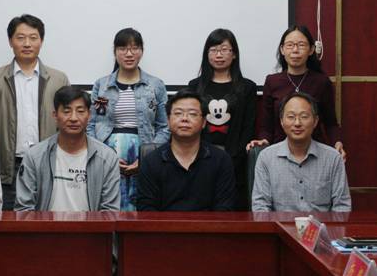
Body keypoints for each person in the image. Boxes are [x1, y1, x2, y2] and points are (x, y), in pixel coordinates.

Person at [0, 14, 70, 210]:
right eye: (20, 38)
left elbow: (68, 119)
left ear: (41, 41)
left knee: (46, 220)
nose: (27, 43)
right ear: (10, 41)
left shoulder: (59, 79)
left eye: (33, 38)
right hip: (9, 166)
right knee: (9, 221)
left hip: (48, 163)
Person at [87, 28, 169, 211]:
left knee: (142, 204)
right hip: (106, 153)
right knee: (108, 203)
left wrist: (148, 156)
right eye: (123, 48)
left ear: (142, 51)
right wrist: (104, 155)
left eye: (134, 48)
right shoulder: (102, 85)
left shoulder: (155, 85)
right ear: (115, 52)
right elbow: (91, 125)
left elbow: (164, 127)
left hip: (145, 151)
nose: (129, 53)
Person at [247, 25, 347, 159]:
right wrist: (263, 141)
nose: (295, 50)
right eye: (290, 45)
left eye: (301, 45)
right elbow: (267, 126)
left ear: (311, 50)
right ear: (282, 50)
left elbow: (330, 123)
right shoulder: (272, 81)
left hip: (314, 152)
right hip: (280, 153)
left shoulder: (321, 82)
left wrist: (337, 143)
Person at [15, 87, 120, 211]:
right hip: (45, 224)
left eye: (80, 111)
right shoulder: (34, 156)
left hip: (91, 224)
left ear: (89, 115)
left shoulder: (107, 158)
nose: (73, 118)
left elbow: (110, 211)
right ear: (55, 115)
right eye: (66, 111)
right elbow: (24, 209)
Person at [188, 28, 256, 210]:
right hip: (200, 158)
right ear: (207, 54)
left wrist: (234, 158)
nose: (219, 55)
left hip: (236, 160)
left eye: (224, 49)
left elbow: (248, 127)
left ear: (234, 54)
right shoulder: (195, 86)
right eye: (214, 50)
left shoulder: (247, 88)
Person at [136, 89, 237, 211]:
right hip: (163, 224)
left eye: (192, 114)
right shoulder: (151, 162)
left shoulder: (221, 160)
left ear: (204, 122)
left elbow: (224, 208)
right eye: (178, 113)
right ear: (168, 120)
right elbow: (146, 210)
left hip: (209, 224)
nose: (184, 118)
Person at [251, 92, 351, 212]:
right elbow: (260, 207)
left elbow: (342, 207)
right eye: (291, 117)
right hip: (279, 224)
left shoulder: (333, 158)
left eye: (304, 116)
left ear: (315, 121)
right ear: (281, 121)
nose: (297, 123)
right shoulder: (266, 158)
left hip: (322, 224)